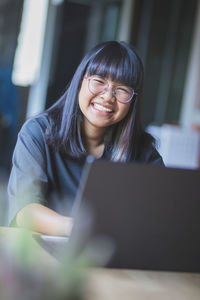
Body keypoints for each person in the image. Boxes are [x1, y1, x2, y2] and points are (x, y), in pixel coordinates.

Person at [8, 41, 163, 236]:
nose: (108, 97)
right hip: (43, 257)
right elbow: (25, 210)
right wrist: (82, 230)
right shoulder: (38, 132)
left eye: (122, 89)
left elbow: (159, 217)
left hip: (114, 259)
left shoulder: (143, 153)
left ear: (133, 100)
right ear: (80, 81)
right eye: (99, 81)